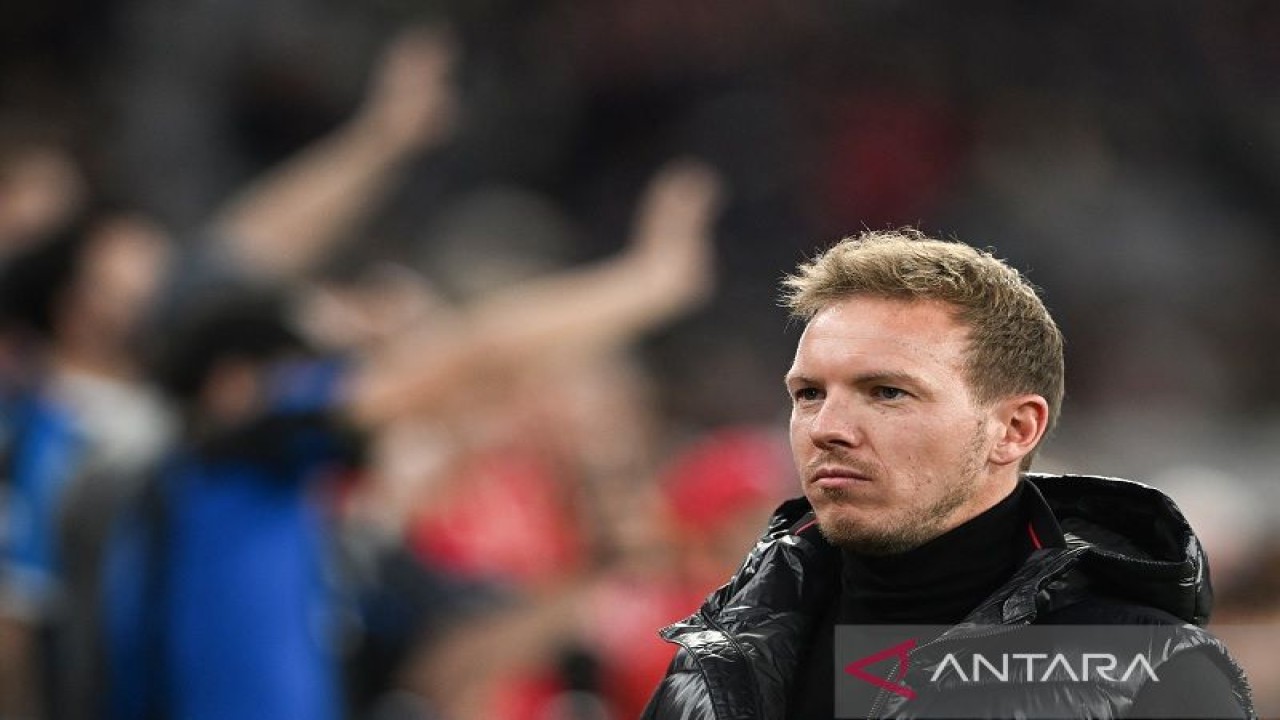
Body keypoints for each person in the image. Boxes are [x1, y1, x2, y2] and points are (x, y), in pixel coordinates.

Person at [642, 229, 1255, 719]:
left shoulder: (1145, 673)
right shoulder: (716, 655)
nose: (827, 426)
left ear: (1015, 430)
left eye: (886, 392)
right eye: (808, 393)